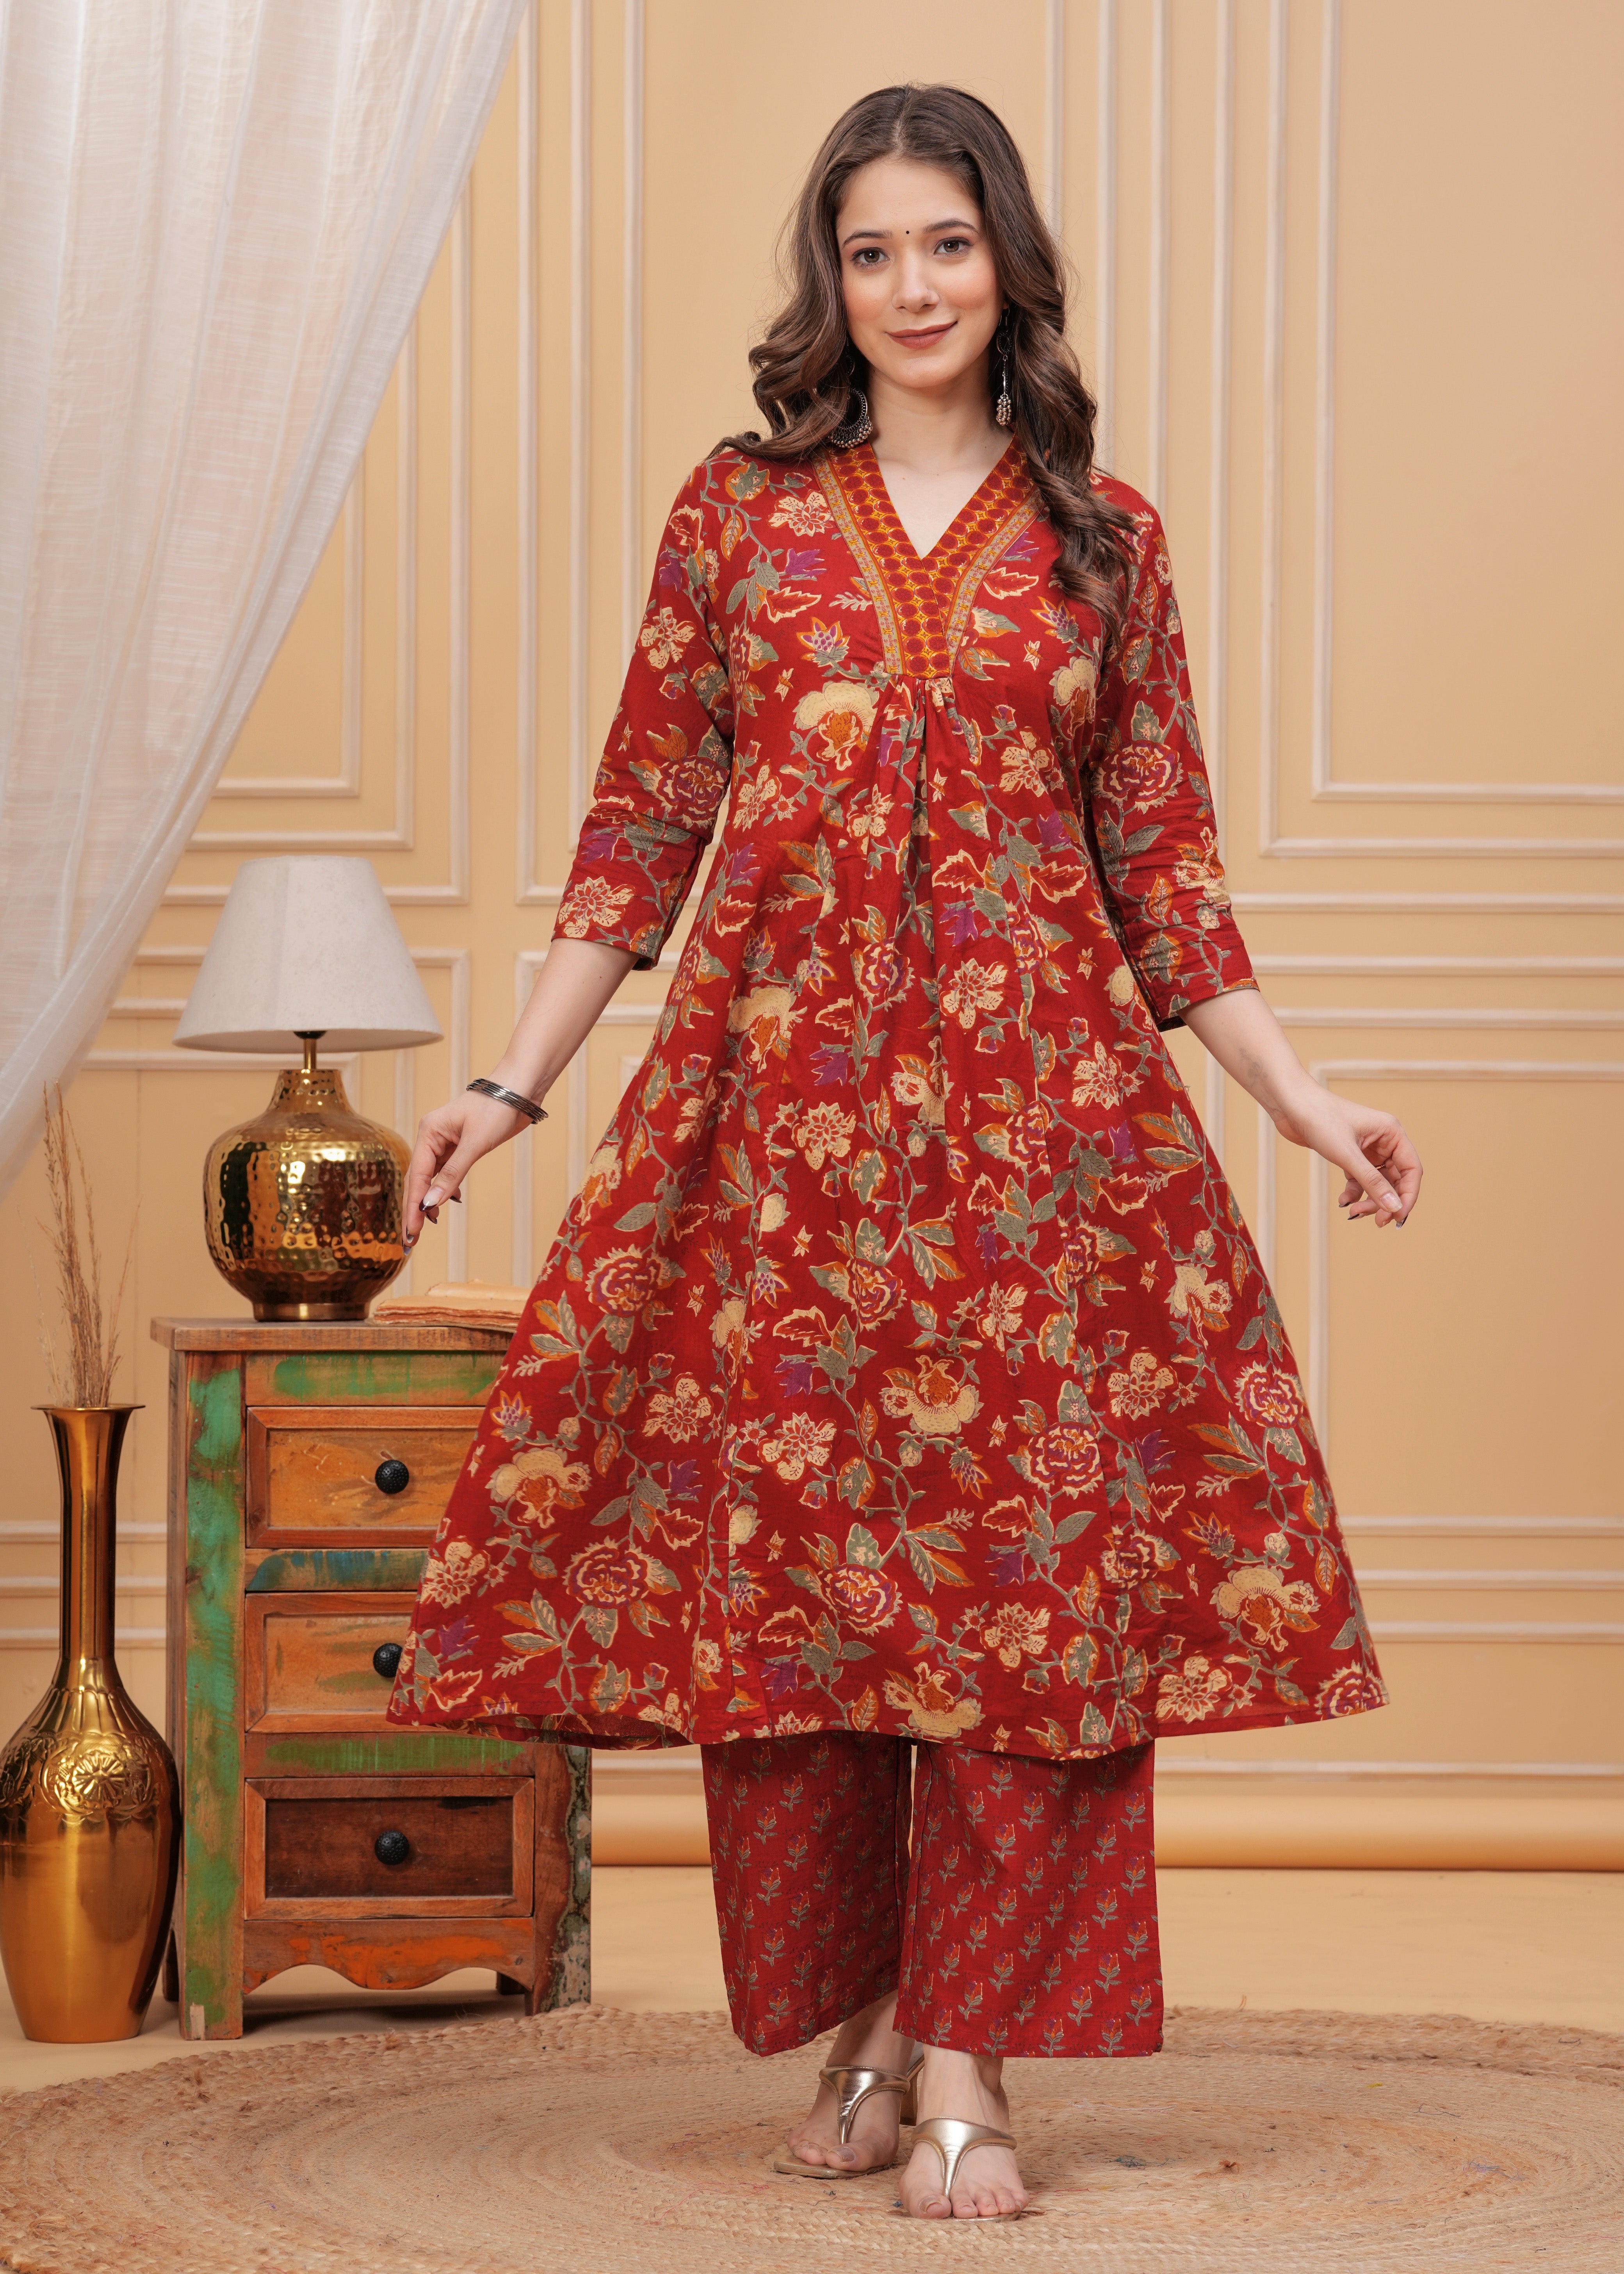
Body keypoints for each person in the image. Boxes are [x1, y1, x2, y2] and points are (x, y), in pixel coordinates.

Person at [386, 83, 1420, 2222]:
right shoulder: (740, 513)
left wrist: (1303, 1100)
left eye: (947, 243)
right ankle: (863, 2019)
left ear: (1008, 261)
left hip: (1045, 1150)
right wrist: (508, 1086)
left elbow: (1165, 875)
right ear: (831, 281)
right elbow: (642, 825)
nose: (914, 286)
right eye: (872, 252)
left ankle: (969, 2057)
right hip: (783, 1145)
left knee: (1020, 1595)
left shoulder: (1106, 540)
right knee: (804, 1593)